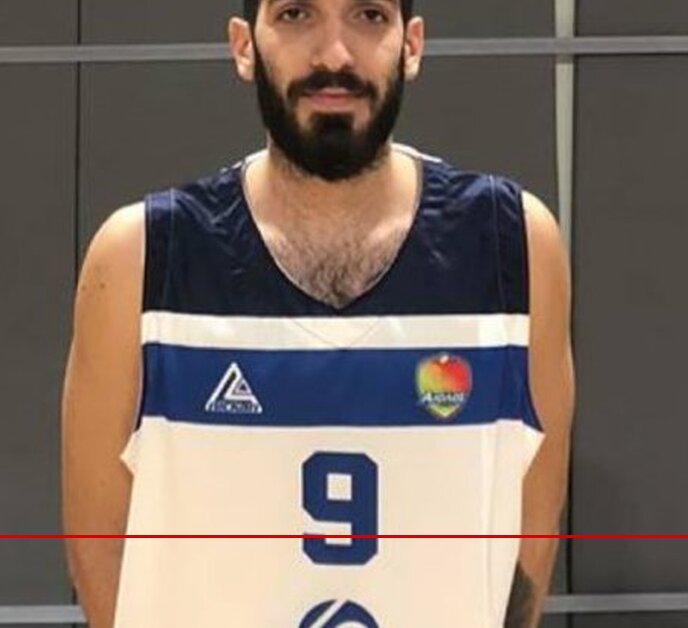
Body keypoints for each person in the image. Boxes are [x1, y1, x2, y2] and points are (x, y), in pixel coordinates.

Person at [61, 1, 574, 626]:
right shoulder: (141, 258)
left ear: (412, 45)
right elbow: (100, 550)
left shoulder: (511, 245)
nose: (335, 54)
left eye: (369, 15)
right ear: (244, 46)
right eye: (296, 14)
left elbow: (527, 541)